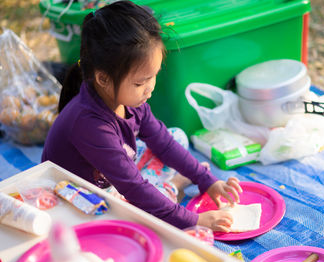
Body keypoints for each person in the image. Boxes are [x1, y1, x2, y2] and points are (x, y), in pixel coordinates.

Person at [42, 1, 242, 232]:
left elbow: (164, 144)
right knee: (129, 215)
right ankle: (173, 187)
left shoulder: (130, 101)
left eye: (153, 76)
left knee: (175, 137)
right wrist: (193, 220)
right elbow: (134, 188)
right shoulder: (89, 124)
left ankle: (170, 190)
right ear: (103, 79)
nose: (150, 88)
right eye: (140, 82)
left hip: (112, 174)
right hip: (77, 196)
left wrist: (206, 179)